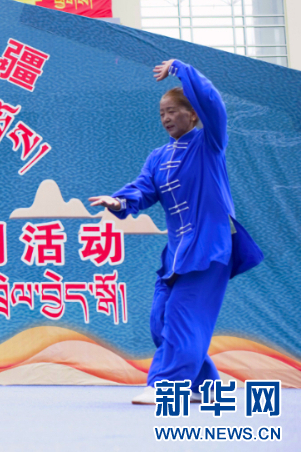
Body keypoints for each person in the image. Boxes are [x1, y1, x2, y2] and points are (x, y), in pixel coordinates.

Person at [89, 59, 263, 405]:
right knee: (161, 320)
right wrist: (119, 202)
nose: (166, 118)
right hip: (177, 255)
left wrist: (182, 69)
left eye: (172, 111)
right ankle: (204, 386)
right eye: (161, 114)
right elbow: (142, 190)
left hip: (210, 249)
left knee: (183, 317)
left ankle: (168, 385)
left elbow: (212, 103)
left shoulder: (209, 144)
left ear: (193, 114)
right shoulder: (158, 157)